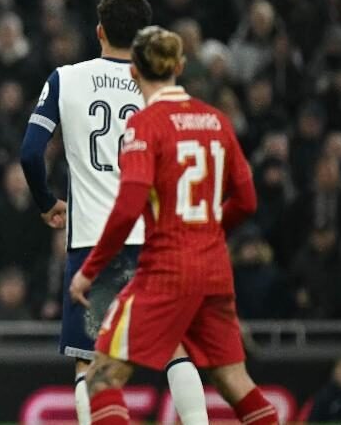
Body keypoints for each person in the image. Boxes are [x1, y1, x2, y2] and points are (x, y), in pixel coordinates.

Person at [69, 27, 278, 425]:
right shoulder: (217, 121)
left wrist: (89, 270)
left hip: (166, 270)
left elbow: (129, 206)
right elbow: (247, 200)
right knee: (236, 382)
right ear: (180, 66)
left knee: (100, 379)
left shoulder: (146, 126)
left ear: (134, 72)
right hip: (215, 270)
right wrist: (212, 227)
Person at [20, 0, 209, 425]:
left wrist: (47, 203)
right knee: (174, 346)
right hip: (158, 240)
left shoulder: (65, 79)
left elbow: (31, 153)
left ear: (99, 31)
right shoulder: (164, 87)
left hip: (94, 242)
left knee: (91, 360)